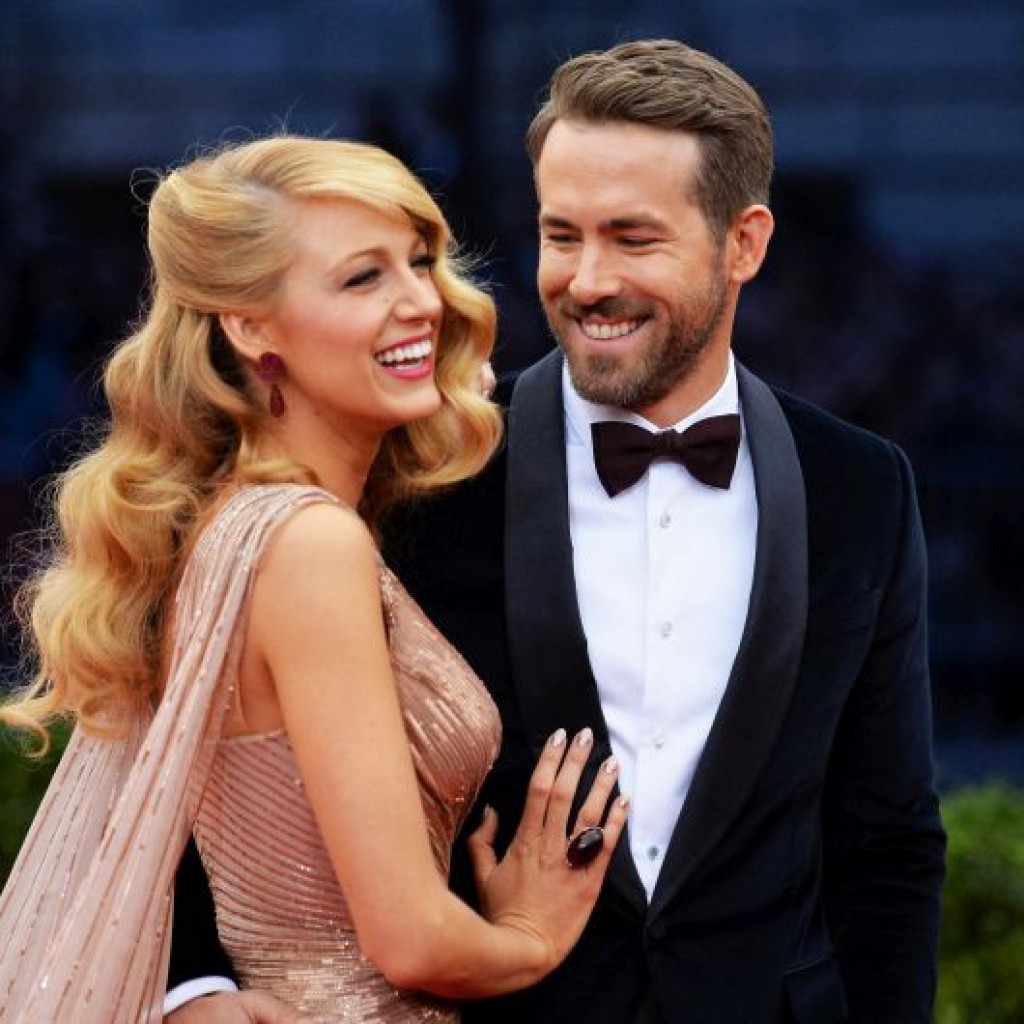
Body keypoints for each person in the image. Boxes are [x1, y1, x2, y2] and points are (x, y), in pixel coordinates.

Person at [167, 39, 946, 1024]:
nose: (586, 280)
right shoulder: (425, 469)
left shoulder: (861, 487)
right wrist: (195, 989)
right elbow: (219, 750)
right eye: (562, 234)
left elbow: (888, 841)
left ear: (743, 244)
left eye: (633, 238)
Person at [0, 135, 630, 1024]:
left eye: (419, 262)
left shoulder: (239, 524)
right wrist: (529, 935)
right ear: (251, 327)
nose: (421, 302)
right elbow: (411, 940)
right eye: (362, 278)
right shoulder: (308, 544)